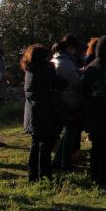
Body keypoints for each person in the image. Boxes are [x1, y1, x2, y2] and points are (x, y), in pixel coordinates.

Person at [81, 36, 106, 189]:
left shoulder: (91, 66)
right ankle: (104, 178)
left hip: (92, 111)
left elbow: (84, 90)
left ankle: (95, 177)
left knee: (96, 147)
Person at [22, 44, 67, 182]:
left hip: (33, 112)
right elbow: (61, 83)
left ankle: (33, 175)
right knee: (45, 146)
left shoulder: (30, 70)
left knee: (36, 144)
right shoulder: (45, 71)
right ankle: (45, 175)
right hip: (45, 112)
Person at [51, 35, 84, 171]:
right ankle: (65, 163)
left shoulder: (56, 59)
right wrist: (83, 75)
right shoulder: (66, 62)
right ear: (71, 48)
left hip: (62, 99)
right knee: (69, 134)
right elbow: (76, 82)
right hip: (69, 100)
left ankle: (59, 161)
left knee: (67, 134)